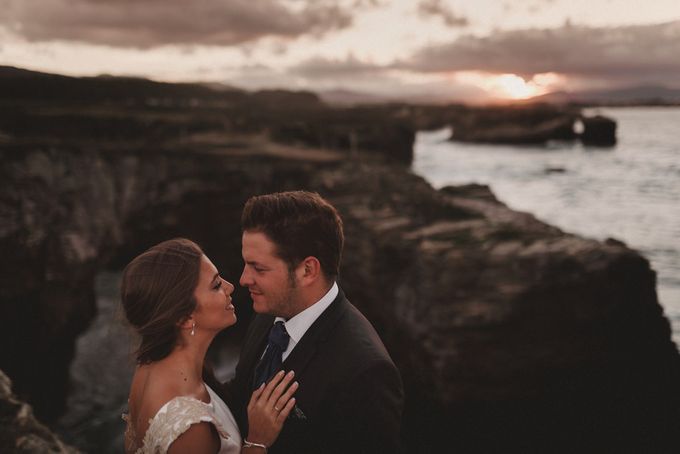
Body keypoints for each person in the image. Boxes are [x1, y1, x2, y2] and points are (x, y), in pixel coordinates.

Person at [225, 191, 404, 453]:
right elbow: (240, 393)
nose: (243, 279)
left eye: (259, 269)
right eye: (246, 264)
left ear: (308, 270)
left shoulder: (366, 372)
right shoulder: (268, 313)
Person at [120, 238, 297, 453]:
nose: (230, 287)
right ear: (184, 318)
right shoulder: (191, 429)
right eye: (216, 285)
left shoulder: (149, 364)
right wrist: (256, 441)